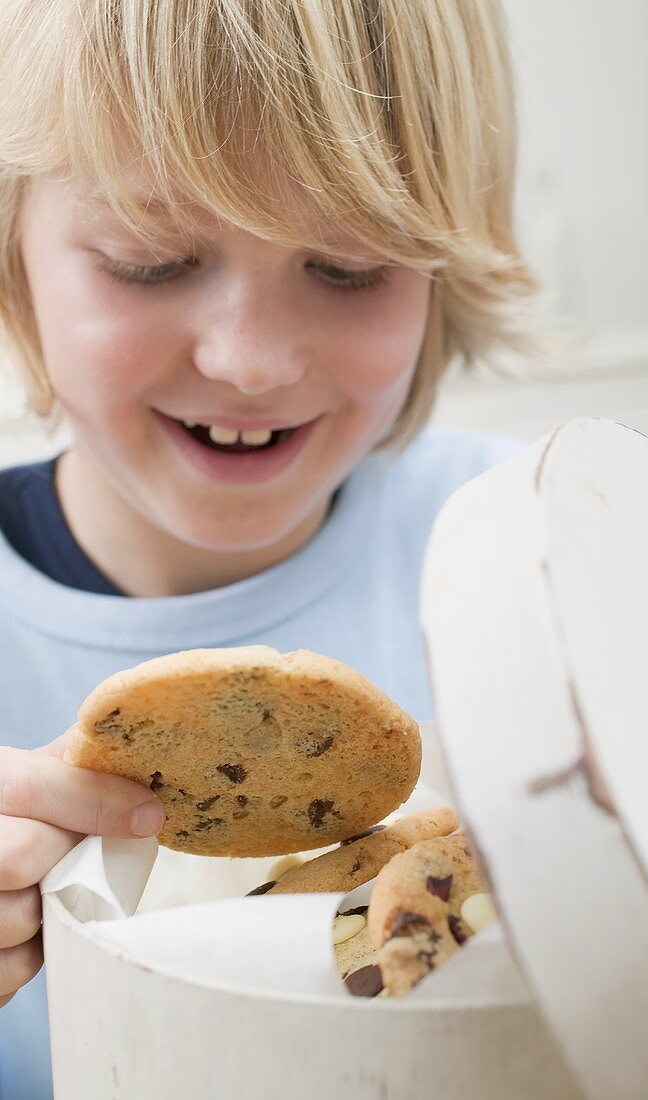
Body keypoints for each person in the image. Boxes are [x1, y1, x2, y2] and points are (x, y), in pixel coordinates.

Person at [0, 0, 547, 1095]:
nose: (249, 360)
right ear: (13, 258)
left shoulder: (543, 544)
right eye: (148, 260)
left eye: (349, 269)